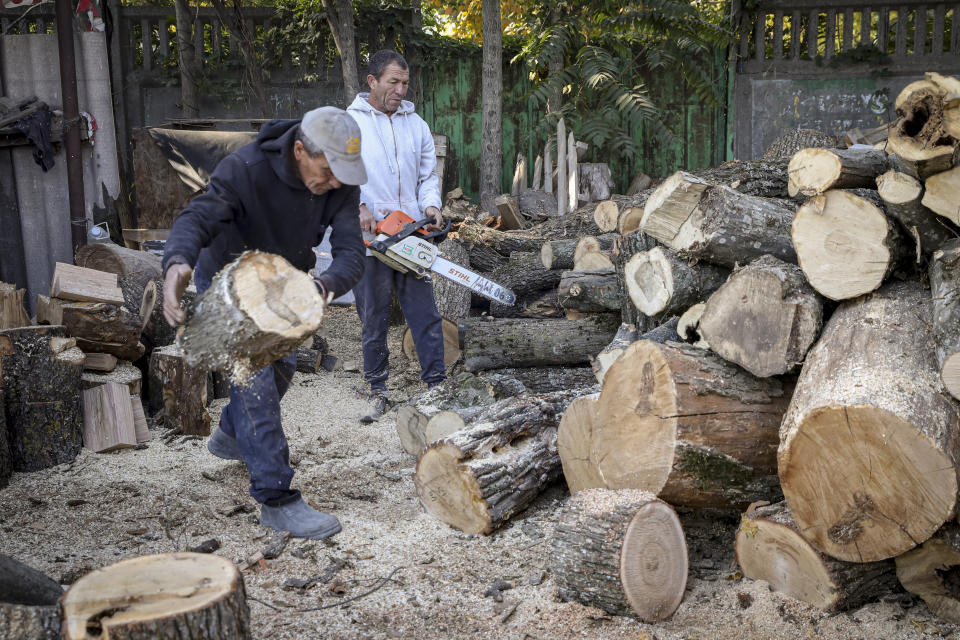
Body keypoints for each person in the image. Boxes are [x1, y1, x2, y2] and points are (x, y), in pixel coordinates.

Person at [160, 107, 367, 539]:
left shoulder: (340, 181)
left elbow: (352, 253)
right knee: (253, 380)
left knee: (283, 368)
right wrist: (177, 262)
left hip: (284, 282)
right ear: (299, 151)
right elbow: (196, 217)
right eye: (328, 171)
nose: (335, 182)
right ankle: (277, 500)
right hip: (228, 280)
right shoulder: (245, 168)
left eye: (342, 175)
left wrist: (322, 286)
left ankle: (231, 435)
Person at [347, 50, 446, 418]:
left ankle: (437, 383)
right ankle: (377, 385)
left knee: (425, 313)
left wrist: (431, 207)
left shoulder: (416, 124)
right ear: (372, 81)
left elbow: (426, 176)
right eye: (394, 82)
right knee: (373, 316)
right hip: (372, 237)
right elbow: (343, 174)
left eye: (405, 83)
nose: (401, 90)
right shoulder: (351, 123)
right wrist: (359, 208)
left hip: (411, 233)